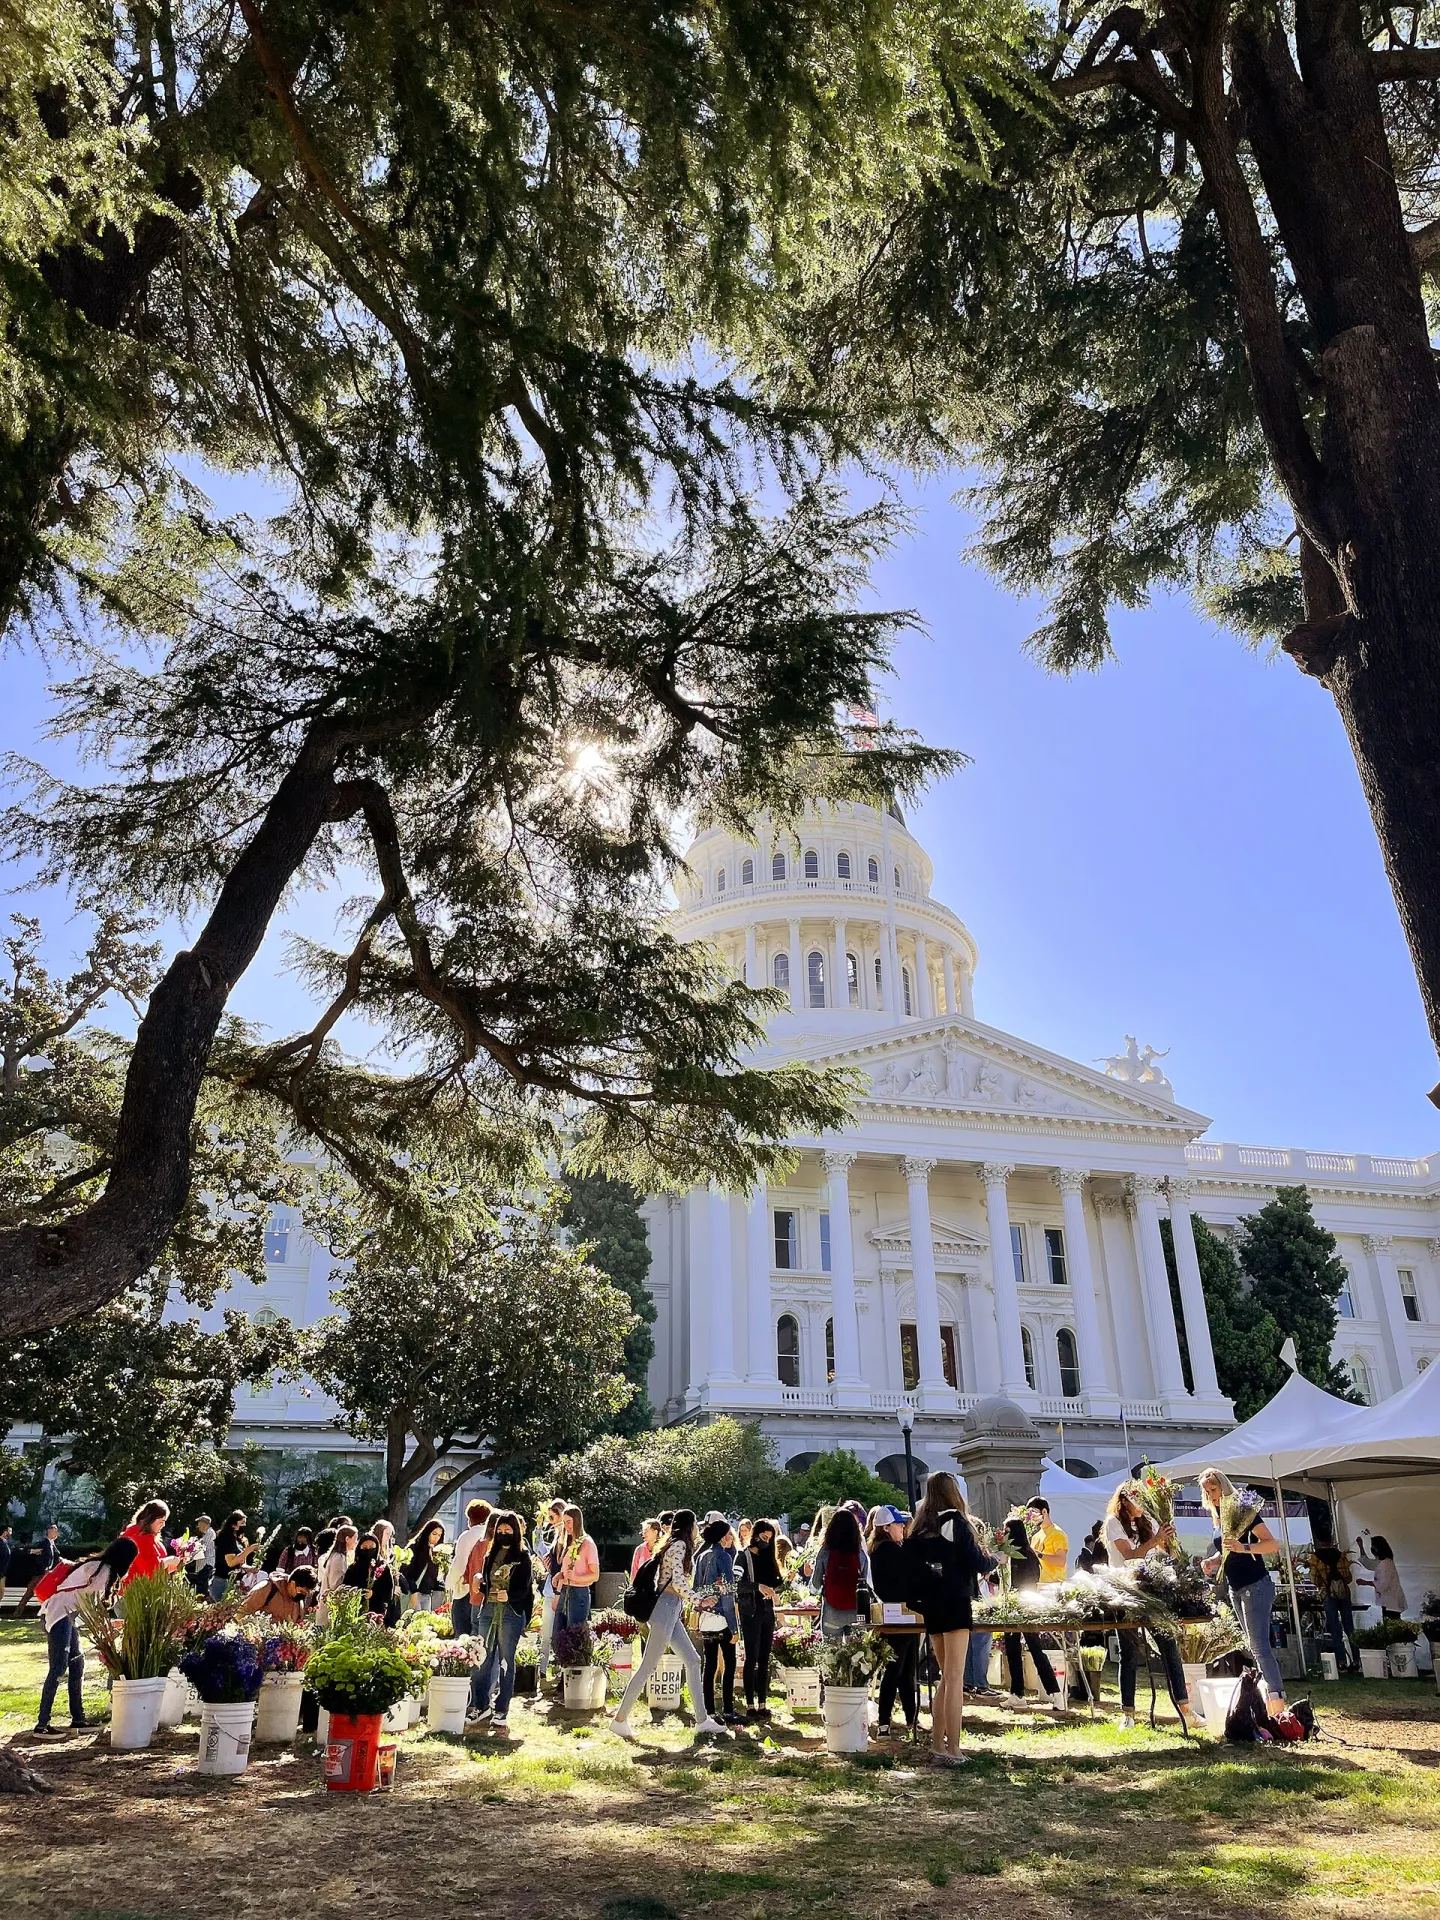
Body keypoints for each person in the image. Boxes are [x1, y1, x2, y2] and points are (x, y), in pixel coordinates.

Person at [610, 1510, 725, 1739]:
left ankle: (702, 1720)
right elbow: (679, 1582)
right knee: (648, 1667)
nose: (698, 1529)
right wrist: (699, 1601)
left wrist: (695, 1599)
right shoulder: (680, 1545)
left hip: (669, 1607)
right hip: (666, 1608)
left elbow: (676, 1583)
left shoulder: (673, 1543)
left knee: (692, 1660)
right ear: (689, 1526)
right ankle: (620, 1719)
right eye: (696, 1525)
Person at [904, 1472, 987, 1766]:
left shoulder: (921, 1526)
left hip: (931, 1606)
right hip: (955, 1602)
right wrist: (996, 1560)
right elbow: (976, 1561)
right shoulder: (958, 1523)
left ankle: (938, 1744)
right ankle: (954, 1749)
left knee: (944, 1676)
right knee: (954, 1677)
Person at [1105, 1487, 1198, 1730]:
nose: (1141, 1504)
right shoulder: (1113, 1522)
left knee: (1169, 1646)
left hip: (1152, 1589)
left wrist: (1168, 1543)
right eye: (1137, 1500)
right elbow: (1128, 1556)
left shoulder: (1149, 1521)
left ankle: (1185, 1709)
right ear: (1124, 1501)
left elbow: (1162, 1556)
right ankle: (1128, 1713)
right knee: (1129, 1652)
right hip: (1124, 1591)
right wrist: (1156, 1540)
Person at [34, 1536, 140, 1736]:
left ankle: (78, 1718)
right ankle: (42, 1724)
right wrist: (109, 1627)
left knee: (77, 1664)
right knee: (59, 1667)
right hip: (61, 1615)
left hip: (65, 1614)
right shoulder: (103, 1572)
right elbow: (94, 1608)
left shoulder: (98, 1567)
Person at [1197, 1469, 1287, 1706]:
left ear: (1223, 1487)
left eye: (1213, 1490)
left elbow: (1271, 1544)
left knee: (1259, 1646)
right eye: (1206, 1492)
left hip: (1255, 1584)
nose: (1211, 1496)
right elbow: (1227, 1548)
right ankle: (1267, 1697)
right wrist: (1215, 1560)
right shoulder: (1218, 1515)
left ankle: (1276, 1700)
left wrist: (1243, 1548)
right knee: (1252, 1645)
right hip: (1235, 1587)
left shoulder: (1242, 1510)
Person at [468, 1511, 534, 1734]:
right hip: (488, 1610)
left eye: (508, 1531)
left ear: (515, 1532)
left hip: (510, 1613)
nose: (504, 1534)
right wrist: (480, 1585)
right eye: (500, 1530)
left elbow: (525, 1588)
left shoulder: (522, 1557)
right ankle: (480, 1705)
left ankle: (502, 1709)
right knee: (482, 1659)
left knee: (506, 1660)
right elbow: (487, 1582)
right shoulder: (490, 1554)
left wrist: (511, 1596)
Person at [866, 1505, 919, 1737]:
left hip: (896, 1614)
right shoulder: (889, 1550)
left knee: (903, 1669)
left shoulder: (880, 1549)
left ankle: (909, 1716)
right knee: (897, 1670)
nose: (903, 1528)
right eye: (899, 1524)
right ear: (886, 1528)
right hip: (900, 1614)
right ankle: (886, 1720)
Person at [999, 1515, 1063, 1708]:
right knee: (1014, 1650)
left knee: (1033, 1649)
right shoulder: (1015, 1555)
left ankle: (1054, 1692)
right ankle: (1018, 1694)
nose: (1003, 1534)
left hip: (1023, 1606)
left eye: (1006, 1530)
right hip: (1016, 1606)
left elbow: (1025, 1581)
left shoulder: (1024, 1555)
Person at [695, 1518, 744, 1726]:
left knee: (710, 1664)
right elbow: (727, 1593)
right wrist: (734, 1627)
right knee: (729, 1663)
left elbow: (697, 1588)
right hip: (722, 1617)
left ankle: (708, 1710)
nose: (732, 1537)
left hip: (705, 1617)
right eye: (729, 1534)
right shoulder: (723, 1557)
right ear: (724, 1536)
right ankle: (729, 1710)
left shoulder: (702, 1556)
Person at [736, 1517, 781, 1720]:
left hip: (766, 1611)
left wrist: (778, 1586)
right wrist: (757, 1587)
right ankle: (750, 1704)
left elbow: (775, 1582)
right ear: (755, 1535)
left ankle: (763, 1702)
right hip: (750, 1611)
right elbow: (736, 1584)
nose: (766, 1542)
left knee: (764, 1658)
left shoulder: (768, 1558)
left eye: (769, 1539)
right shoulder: (743, 1556)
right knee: (751, 1658)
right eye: (763, 1537)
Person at [809, 1507, 872, 1640]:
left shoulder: (825, 1552)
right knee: (858, 1655)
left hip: (832, 1611)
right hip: (856, 1612)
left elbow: (815, 1584)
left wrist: (815, 1591)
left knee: (832, 1654)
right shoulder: (860, 1554)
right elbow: (866, 1581)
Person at [534, 1498, 567, 1686]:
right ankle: (543, 1670)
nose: (551, 1520)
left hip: (558, 1590)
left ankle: (555, 1670)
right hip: (550, 1590)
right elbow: (542, 1551)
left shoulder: (566, 1537)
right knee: (547, 1633)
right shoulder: (555, 1537)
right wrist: (538, 1529)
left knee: (557, 1631)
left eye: (553, 1516)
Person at [448, 1498, 493, 1635]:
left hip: (465, 1590)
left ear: (470, 1518)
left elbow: (459, 1565)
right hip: (484, 1591)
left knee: (462, 1635)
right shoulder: (490, 1536)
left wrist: (449, 1583)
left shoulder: (467, 1536)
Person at [1311, 1542, 1358, 1672]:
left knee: (1334, 1628)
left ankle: (1341, 1662)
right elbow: (1348, 1578)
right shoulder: (1341, 1555)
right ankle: (1356, 1660)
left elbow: (1314, 1580)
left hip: (1327, 1594)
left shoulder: (1316, 1558)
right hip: (1344, 1594)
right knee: (1350, 1627)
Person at [554, 1504, 599, 1630]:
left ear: (577, 1521)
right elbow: (570, 1569)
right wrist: (560, 1575)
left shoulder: (587, 1543)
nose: (566, 1526)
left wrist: (575, 1577)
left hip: (579, 1593)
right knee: (559, 1633)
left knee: (573, 1636)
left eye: (569, 1522)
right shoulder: (569, 1542)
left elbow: (595, 1575)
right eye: (564, 1522)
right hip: (565, 1590)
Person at [122, 1500, 183, 1585]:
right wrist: (171, 1560)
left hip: (137, 1589)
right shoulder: (141, 1538)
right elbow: (151, 1569)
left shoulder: (138, 1534)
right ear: (149, 1520)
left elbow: (157, 1571)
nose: (163, 1525)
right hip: (137, 1591)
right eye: (161, 1521)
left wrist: (179, 1562)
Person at [239, 1565, 319, 1624]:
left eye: (305, 1594)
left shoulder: (298, 1602)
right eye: (301, 1591)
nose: (303, 1596)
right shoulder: (266, 1588)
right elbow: (242, 1611)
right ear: (292, 1583)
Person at [208, 1509, 259, 1599]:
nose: (244, 1526)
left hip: (235, 1582)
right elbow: (231, 1562)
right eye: (242, 1523)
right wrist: (249, 1550)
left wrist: (250, 1568)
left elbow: (240, 1563)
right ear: (233, 1523)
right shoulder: (226, 1538)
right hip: (222, 1582)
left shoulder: (238, 1540)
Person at [1355, 1534, 1407, 1618]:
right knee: (1390, 1623)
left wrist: (1365, 1582)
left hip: (1391, 1600)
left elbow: (1383, 1584)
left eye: (1373, 1546)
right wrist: (1361, 1547)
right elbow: (1368, 1564)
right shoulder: (1382, 1562)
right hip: (1387, 1600)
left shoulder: (1386, 1564)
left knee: (1392, 1624)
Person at [316, 1524, 357, 1623]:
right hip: (331, 1608)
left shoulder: (339, 1556)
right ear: (347, 1539)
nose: (356, 1542)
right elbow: (336, 1584)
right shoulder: (338, 1557)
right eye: (355, 1539)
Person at [403, 1521, 447, 1612]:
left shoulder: (437, 1552)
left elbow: (432, 1577)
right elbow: (406, 1572)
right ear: (427, 1532)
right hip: (414, 1592)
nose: (436, 1538)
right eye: (434, 1534)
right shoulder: (415, 1547)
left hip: (427, 1594)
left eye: (439, 1535)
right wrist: (414, 1591)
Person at [17, 1522, 61, 1613]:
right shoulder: (43, 1544)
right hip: (40, 1573)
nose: (56, 1533)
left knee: (49, 1593)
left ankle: (47, 1612)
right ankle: (18, 1612)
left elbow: (54, 1558)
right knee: (30, 1593)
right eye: (54, 1530)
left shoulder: (52, 1545)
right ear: (49, 1531)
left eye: (56, 1531)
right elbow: (32, 1554)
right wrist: (43, 1569)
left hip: (48, 1574)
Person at [1026, 1498, 1069, 1584]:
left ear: (1044, 1512)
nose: (1031, 1516)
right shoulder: (1035, 1536)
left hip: (1054, 1586)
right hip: (1039, 1585)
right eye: (1029, 1513)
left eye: (1034, 1512)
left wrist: (1038, 1554)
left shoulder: (1057, 1534)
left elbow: (1061, 1561)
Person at [184, 1515, 217, 1596]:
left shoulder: (210, 1533)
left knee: (202, 1583)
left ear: (205, 1524)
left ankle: (203, 1599)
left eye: (199, 1523)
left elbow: (200, 1545)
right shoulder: (207, 1534)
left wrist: (190, 1543)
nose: (198, 1526)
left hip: (207, 1563)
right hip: (203, 1564)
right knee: (200, 1582)